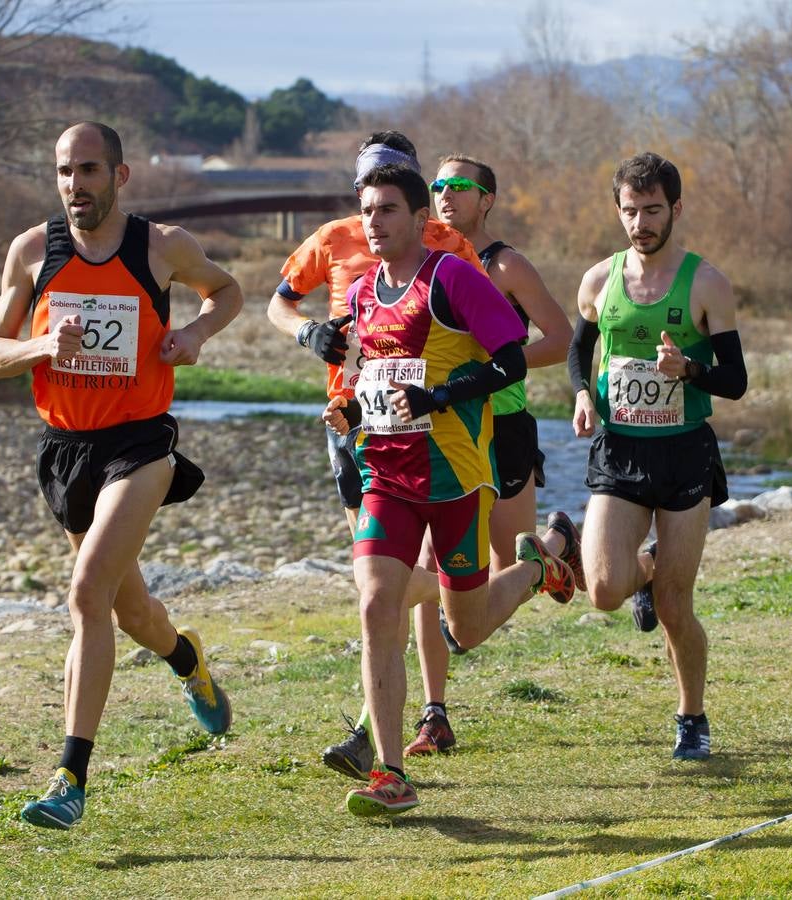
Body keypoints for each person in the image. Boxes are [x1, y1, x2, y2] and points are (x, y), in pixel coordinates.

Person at [0, 122, 243, 829]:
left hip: (140, 442)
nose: (75, 185)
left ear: (119, 177)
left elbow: (225, 291)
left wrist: (192, 335)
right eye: (65, 171)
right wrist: (42, 344)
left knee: (86, 592)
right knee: (129, 613)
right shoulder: (33, 251)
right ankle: (187, 658)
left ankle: (70, 777)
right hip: (66, 450)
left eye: (89, 170)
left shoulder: (161, 247)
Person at [323, 163, 575, 816]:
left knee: (466, 627)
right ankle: (389, 773)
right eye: (366, 211)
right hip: (386, 474)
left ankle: (538, 560)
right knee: (377, 602)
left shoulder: (452, 277)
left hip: (455, 477)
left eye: (386, 210)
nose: (373, 223)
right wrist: (350, 413)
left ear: (416, 219)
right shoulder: (360, 293)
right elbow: (376, 381)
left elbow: (510, 358)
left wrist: (436, 396)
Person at [266, 132, 484, 780]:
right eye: (369, 183)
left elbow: (484, 331)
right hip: (352, 422)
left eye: (393, 182)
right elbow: (278, 303)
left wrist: (463, 398)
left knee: (395, 577)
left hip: (432, 429)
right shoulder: (333, 238)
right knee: (377, 582)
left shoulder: (446, 245)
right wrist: (305, 330)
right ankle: (397, 719)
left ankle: (416, 714)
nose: (376, 205)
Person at [568, 152, 747, 761]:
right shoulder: (599, 280)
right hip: (619, 450)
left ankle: (691, 716)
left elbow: (736, 380)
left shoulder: (707, 283)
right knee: (602, 590)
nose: (640, 223)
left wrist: (689, 368)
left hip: (683, 454)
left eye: (651, 210)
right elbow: (579, 351)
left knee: (676, 605)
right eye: (629, 211)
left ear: (675, 208)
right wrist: (582, 394)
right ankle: (642, 570)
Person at [406, 155, 582, 757]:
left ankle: (555, 547)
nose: (447, 195)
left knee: (507, 560)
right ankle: (435, 712)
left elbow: (561, 338)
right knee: (432, 565)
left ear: (488, 200)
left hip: (501, 423)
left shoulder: (503, 263)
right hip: (443, 426)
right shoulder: (424, 261)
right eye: (439, 185)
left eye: (461, 187)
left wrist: (494, 367)